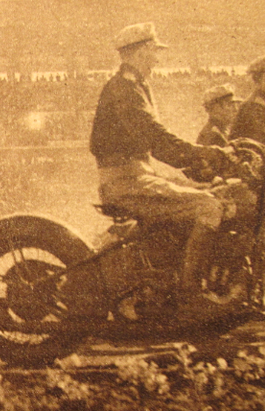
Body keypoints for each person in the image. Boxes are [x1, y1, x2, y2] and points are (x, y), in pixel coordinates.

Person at [85, 23, 236, 318]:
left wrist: (200, 165)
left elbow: (157, 143)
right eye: (154, 52)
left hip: (138, 174)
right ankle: (191, 295)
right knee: (208, 206)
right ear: (140, 52)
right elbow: (153, 136)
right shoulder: (124, 89)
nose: (157, 59)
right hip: (127, 180)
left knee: (211, 192)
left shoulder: (136, 86)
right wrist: (202, 153)